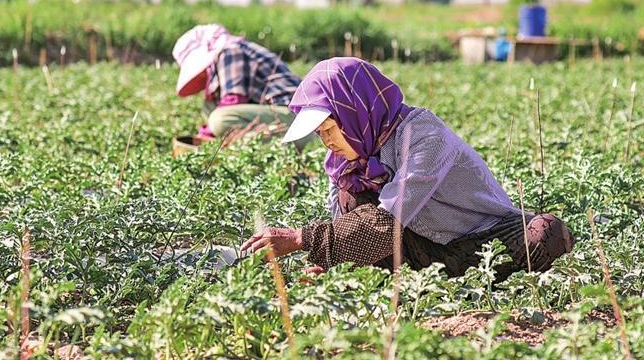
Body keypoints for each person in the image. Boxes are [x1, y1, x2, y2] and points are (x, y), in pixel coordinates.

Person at [240, 57, 574, 281]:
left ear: (354, 111)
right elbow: (349, 225)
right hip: (425, 249)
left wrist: (300, 238)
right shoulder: (350, 163)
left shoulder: (424, 137)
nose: (326, 141)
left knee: (547, 235)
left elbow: (387, 222)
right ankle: (427, 284)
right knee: (352, 199)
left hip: (484, 241)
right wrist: (328, 267)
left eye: (329, 129)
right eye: (320, 134)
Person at [172, 24, 312, 147]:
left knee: (219, 120)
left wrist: (208, 133)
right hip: (282, 117)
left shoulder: (230, 51)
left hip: (294, 118)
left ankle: (274, 148)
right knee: (209, 107)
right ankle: (250, 144)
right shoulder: (228, 54)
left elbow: (233, 100)